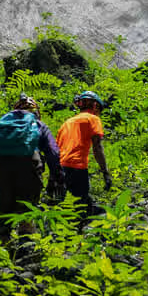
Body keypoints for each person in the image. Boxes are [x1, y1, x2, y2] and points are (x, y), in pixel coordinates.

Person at [0, 95, 62, 246]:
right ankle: (26, 242)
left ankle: (4, 241)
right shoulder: (38, 125)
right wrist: (57, 177)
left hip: (0, 166)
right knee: (27, 205)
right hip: (29, 165)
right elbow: (53, 153)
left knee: (4, 205)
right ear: (35, 112)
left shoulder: (3, 126)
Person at [57, 90, 112, 223]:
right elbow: (97, 147)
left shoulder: (67, 122)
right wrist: (105, 172)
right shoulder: (93, 119)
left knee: (67, 207)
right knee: (78, 211)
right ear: (95, 106)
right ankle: (78, 237)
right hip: (77, 167)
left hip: (60, 168)